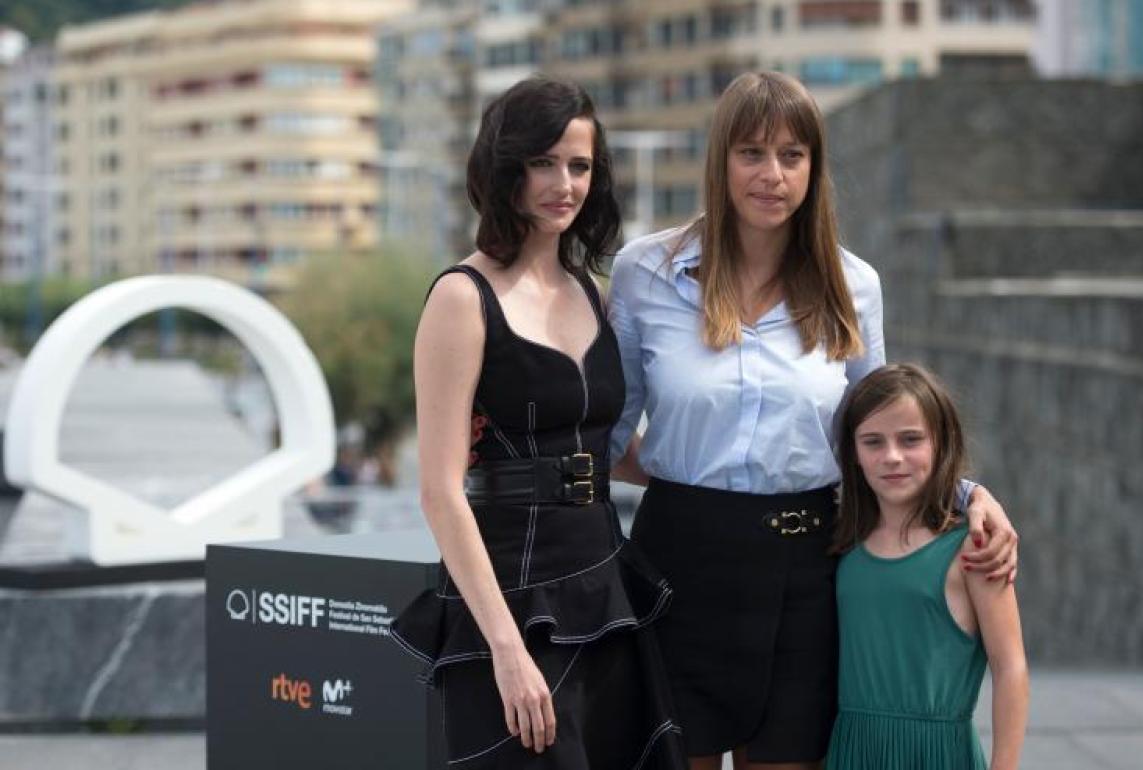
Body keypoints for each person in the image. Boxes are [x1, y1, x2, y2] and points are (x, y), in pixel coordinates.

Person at [607, 71, 1019, 770]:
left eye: (792, 155)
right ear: (721, 161)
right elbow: (611, 434)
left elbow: (879, 422)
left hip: (807, 568)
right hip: (678, 561)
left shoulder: (854, 285)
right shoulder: (645, 272)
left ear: (814, 168)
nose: (772, 175)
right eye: (752, 153)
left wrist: (967, 494)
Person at [389, 77, 685, 770]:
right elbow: (439, 490)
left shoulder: (596, 293)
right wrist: (506, 649)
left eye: (579, 166)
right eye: (544, 162)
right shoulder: (462, 299)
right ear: (506, 167)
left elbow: (614, 450)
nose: (565, 183)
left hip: (605, 582)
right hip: (509, 599)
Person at [826, 363, 1028, 770]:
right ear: (853, 453)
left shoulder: (974, 548)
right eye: (873, 442)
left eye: (911, 439)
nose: (892, 457)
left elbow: (1011, 666)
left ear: (942, 443)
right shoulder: (842, 542)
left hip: (936, 755)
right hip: (850, 753)